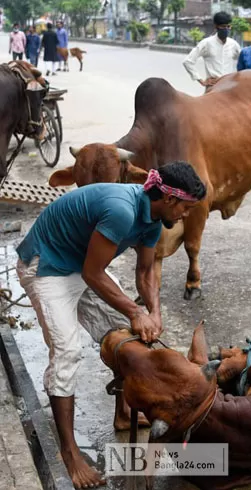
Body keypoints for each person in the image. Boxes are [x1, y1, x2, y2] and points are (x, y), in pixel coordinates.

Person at [15, 162, 207, 489]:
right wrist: (136, 311)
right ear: (171, 200)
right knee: (67, 352)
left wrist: (154, 312)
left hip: (82, 264)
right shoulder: (121, 210)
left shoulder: (155, 220)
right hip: (46, 266)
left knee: (129, 335)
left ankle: (123, 412)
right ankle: (70, 453)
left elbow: (145, 274)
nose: (187, 216)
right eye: (187, 208)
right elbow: (93, 274)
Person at [183, 12, 240, 92]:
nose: (226, 29)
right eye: (223, 26)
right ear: (216, 26)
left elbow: (243, 62)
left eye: (228, 26)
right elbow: (188, 62)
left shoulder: (234, 44)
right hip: (213, 88)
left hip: (230, 88)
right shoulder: (206, 43)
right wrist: (201, 80)